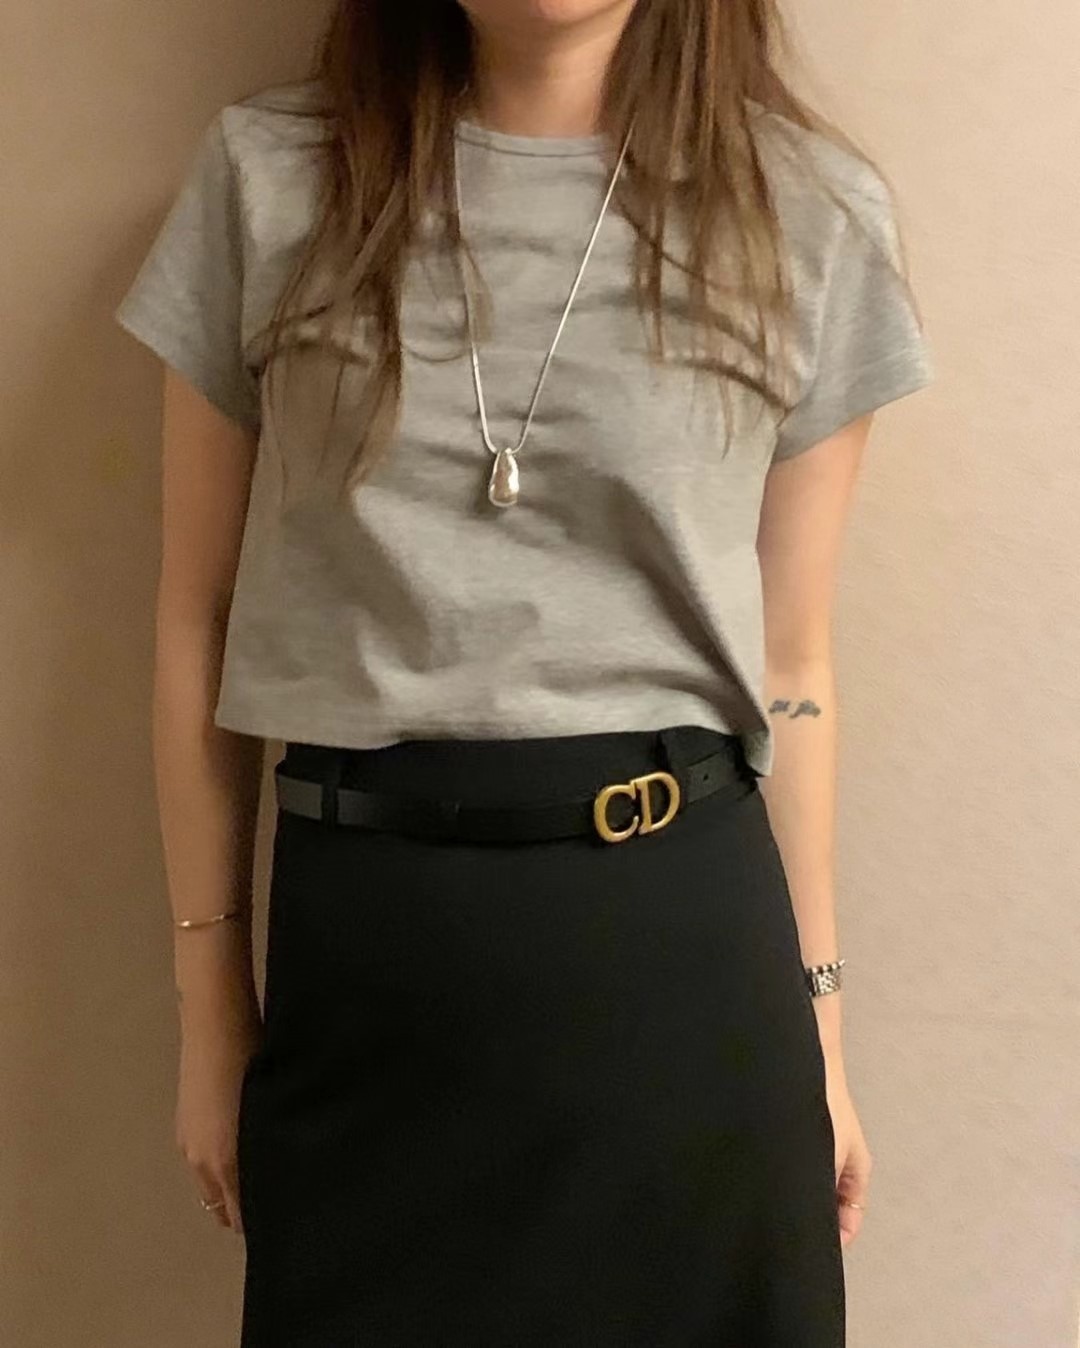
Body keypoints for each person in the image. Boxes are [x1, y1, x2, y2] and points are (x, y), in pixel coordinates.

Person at [114, 0, 934, 1342]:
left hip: (686, 968)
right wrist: (210, 1011)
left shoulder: (806, 209)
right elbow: (193, 615)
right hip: (368, 972)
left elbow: (792, 664)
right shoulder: (269, 176)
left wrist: (823, 1034)